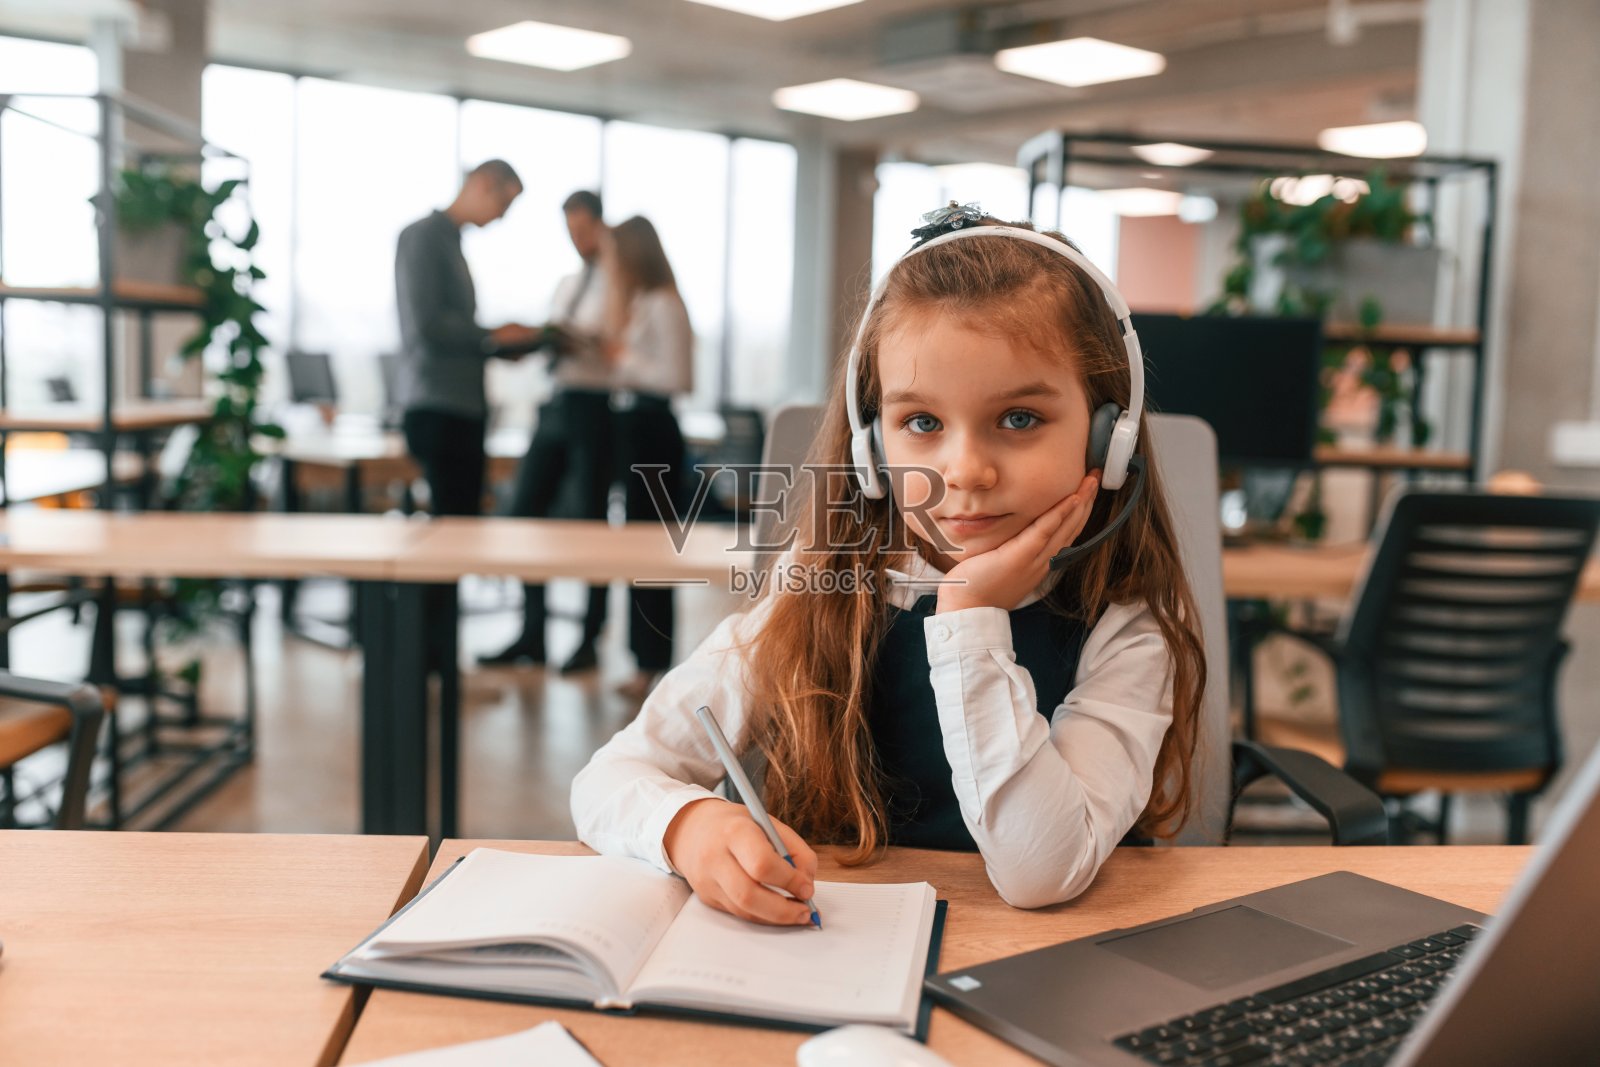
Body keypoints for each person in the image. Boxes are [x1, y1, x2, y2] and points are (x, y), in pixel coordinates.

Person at [570, 210, 1206, 926]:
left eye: (1020, 418)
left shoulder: (1125, 625)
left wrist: (968, 615)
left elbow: (1042, 870)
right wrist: (688, 826)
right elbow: (609, 778)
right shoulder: (815, 599)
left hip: (1042, 975)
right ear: (874, 452)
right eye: (923, 423)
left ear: (1107, 437)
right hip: (832, 962)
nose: (965, 470)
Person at [480, 191, 615, 672]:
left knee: (591, 522)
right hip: (555, 404)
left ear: (601, 226)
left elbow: (620, 351)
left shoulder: (621, 285)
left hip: (597, 408)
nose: (577, 240)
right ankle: (531, 633)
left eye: (583, 230)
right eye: (570, 231)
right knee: (523, 512)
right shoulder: (569, 283)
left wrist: (591, 344)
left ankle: (588, 639)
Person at [396, 159, 539, 517]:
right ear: (483, 184)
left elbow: (454, 335)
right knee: (452, 529)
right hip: (439, 408)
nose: (502, 217)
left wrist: (499, 348)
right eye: (503, 204)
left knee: (462, 521)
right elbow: (427, 326)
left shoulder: (452, 242)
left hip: (461, 407)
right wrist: (492, 334)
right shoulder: (424, 236)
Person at [599, 216, 694, 700]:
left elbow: (678, 377)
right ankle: (643, 661)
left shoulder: (664, 304)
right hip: (632, 427)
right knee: (636, 548)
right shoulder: (639, 303)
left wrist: (623, 359)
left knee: (652, 551)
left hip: (654, 430)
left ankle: (653, 662)